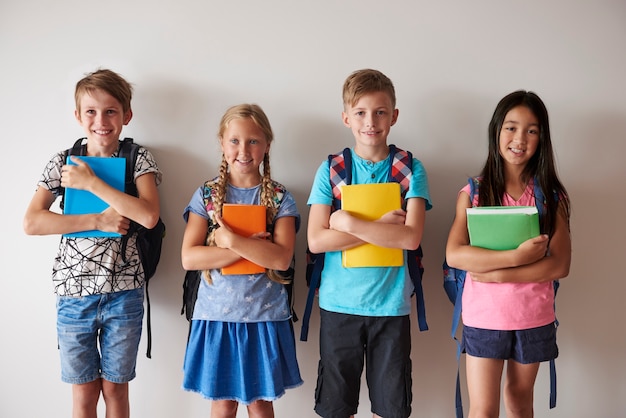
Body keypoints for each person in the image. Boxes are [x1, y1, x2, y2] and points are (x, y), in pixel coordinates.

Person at [23, 69, 162, 418]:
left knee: (116, 389)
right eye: (91, 111)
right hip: (73, 294)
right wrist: (98, 221)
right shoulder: (62, 161)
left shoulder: (137, 159)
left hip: (124, 293)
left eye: (111, 111)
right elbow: (32, 221)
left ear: (126, 115)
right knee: (83, 393)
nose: (101, 120)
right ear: (77, 116)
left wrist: (92, 183)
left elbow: (148, 216)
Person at [307, 69, 432, 418]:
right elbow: (317, 240)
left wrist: (347, 221)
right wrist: (377, 226)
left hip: (391, 307)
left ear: (394, 115)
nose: (370, 121)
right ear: (347, 118)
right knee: (335, 408)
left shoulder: (410, 169)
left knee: (391, 410)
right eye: (360, 112)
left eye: (380, 111)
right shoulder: (332, 169)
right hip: (338, 305)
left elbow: (410, 236)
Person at [445, 90, 572, 418]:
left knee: (519, 403)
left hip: (534, 317)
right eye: (511, 127)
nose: (520, 138)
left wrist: (499, 274)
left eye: (531, 130)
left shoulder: (551, 197)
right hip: (484, 318)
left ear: (541, 138)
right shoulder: (474, 192)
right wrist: (517, 257)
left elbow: (559, 265)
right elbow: (456, 254)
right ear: (496, 131)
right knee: (483, 411)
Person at [180, 103, 303, 418]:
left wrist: (232, 240)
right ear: (222, 143)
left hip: (264, 316)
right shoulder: (207, 195)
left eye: (253, 141)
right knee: (223, 404)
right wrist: (246, 249)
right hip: (216, 317)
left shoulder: (278, 197)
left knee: (260, 404)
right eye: (234, 140)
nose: (243, 149)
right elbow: (190, 257)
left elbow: (281, 257)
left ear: (267, 145)